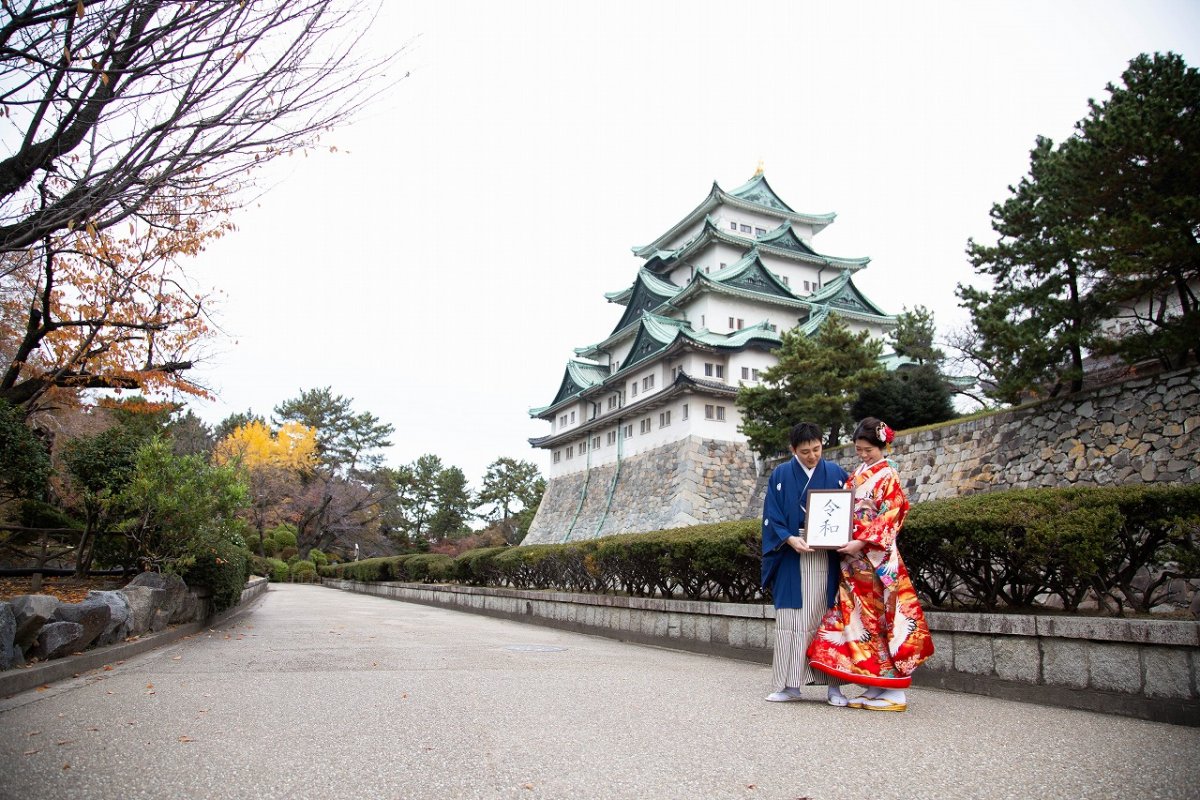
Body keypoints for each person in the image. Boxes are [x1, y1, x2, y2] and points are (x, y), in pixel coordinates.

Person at [807, 416, 934, 712]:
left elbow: (891, 515)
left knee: (881, 622)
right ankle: (875, 685)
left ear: (883, 445)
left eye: (869, 450)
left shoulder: (888, 475)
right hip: (853, 562)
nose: (863, 455)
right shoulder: (858, 474)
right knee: (859, 622)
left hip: (875, 561)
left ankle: (894, 690)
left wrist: (861, 542)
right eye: (859, 450)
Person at [761, 421, 850, 705]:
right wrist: (788, 538)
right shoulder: (781, 474)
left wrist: (843, 536)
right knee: (790, 619)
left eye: (816, 449)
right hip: (792, 554)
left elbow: (850, 512)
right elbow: (771, 515)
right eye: (805, 451)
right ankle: (789, 685)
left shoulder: (836, 474)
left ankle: (834, 687)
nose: (812, 456)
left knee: (829, 618)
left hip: (826, 554)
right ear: (793, 450)